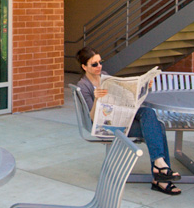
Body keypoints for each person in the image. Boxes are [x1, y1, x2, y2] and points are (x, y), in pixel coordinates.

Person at [76, 47, 181, 195]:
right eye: (94, 64)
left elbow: (122, 97)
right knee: (158, 127)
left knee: (148, 112)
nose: (99, 66)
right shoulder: (84, 85)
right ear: (84, 67)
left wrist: (143, 87)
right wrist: (98, 99)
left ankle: (160, 167)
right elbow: (92, 117)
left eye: (100, 62)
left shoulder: (105, 76)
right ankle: (161, 175)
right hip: (105, 125)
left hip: (121, 115)